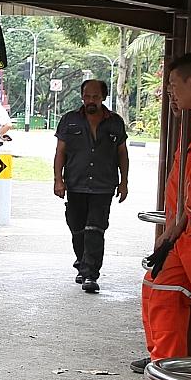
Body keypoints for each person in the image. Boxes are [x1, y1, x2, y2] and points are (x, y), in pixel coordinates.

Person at [135, 54, 191, 380]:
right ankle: (167, 370)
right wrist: (173, 229)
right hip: (189, 232)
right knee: (159, 286)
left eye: (173, 85)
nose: (169, 93)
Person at [52, 79, 129, 294]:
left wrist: (124, 182)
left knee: (95, 229)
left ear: (103, 97)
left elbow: (122, 154)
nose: (90, 101)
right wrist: (59, 179)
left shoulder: (115, 122)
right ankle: (82, 262)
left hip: (103, 186)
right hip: (76, 184)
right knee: (77, 228)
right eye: (87, 96)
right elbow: (60, 152)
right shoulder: (70, 120)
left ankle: (90, 274)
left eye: (95, 97)